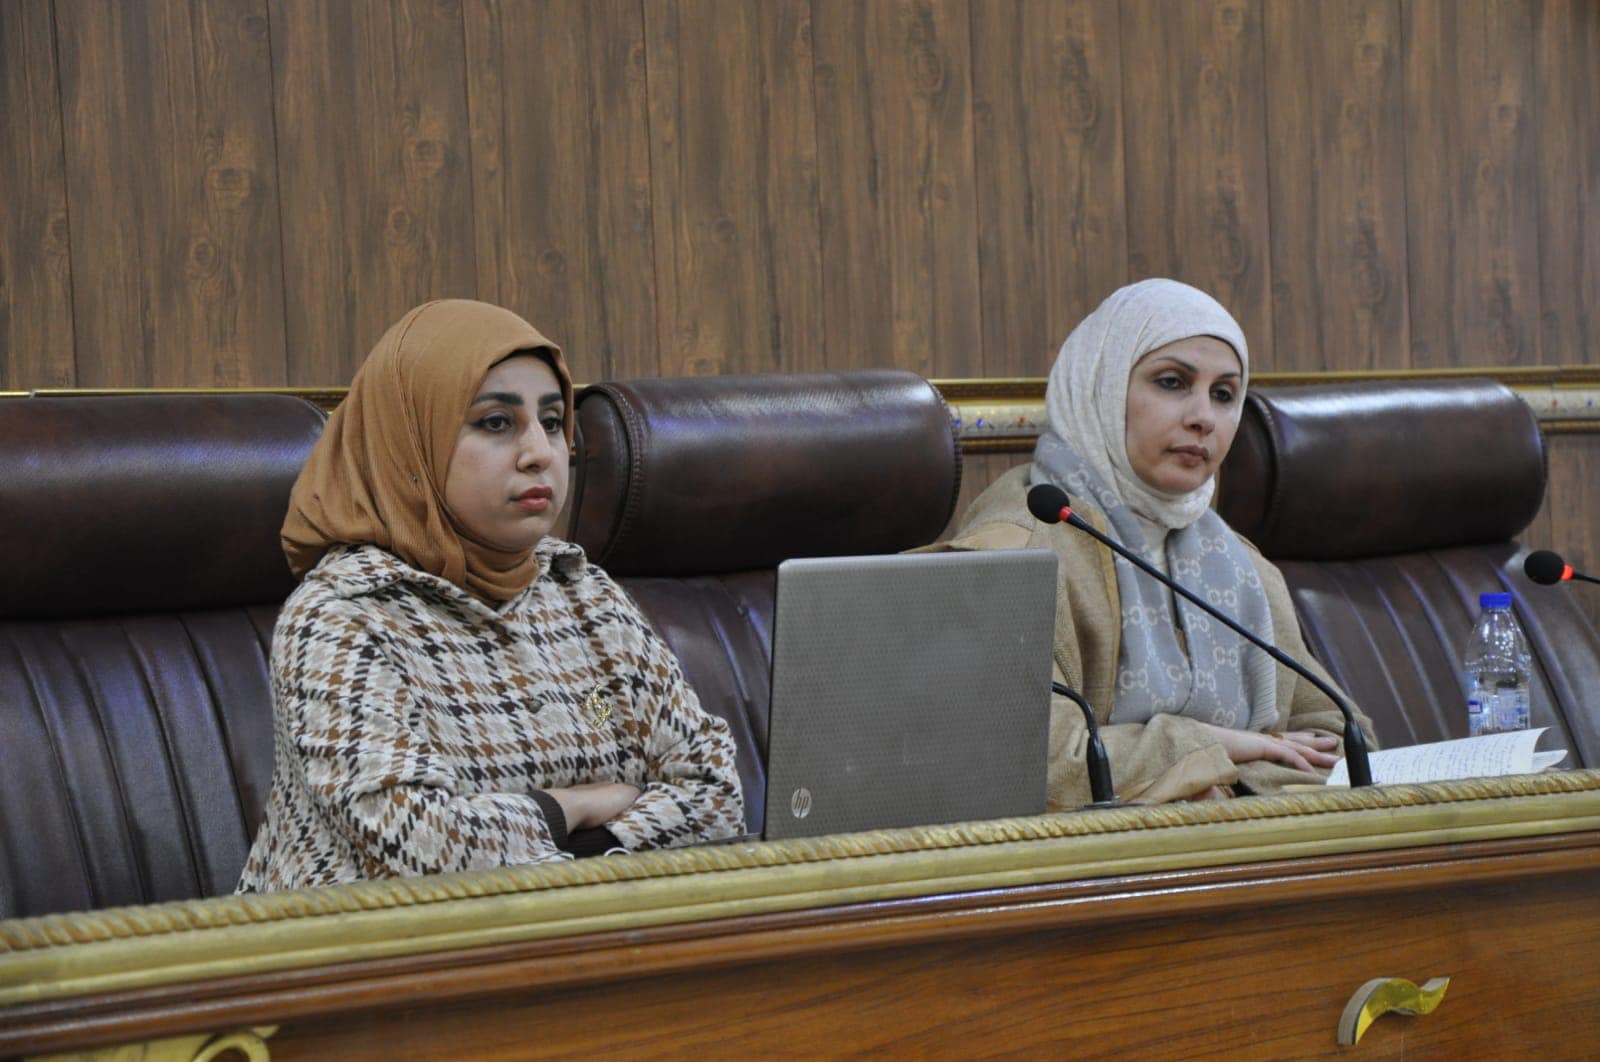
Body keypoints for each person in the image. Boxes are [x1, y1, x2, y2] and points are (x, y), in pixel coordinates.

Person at [238, 300, 743, 892]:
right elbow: (420, 846)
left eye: (552, 422)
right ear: (410, 444)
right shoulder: (340, 617)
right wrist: (569, 807)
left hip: (593, 928)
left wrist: (592, 850)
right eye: (496, 423)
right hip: (367, 943)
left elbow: (716, 792)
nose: (540, 453)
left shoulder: (584, 595)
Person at [950, 279, 1374, 806]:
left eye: (1224, 394)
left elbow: (1346, 745)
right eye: (1172, 383)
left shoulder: (1239, 562)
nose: (1203, 417)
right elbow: (1031, 762)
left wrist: (1221, 783)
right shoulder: (1019, 549)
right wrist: (1211, 748)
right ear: (1099, 388)